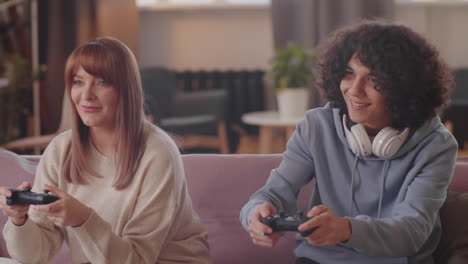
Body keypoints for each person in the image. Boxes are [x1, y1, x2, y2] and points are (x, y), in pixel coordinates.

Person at [240, 20, 458, 264]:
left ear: (404, 88)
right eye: (349, 73)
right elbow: (272, 193)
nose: (355, 90)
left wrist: (347, 230)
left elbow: (412, 231)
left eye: (373, 79)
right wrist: (255, 214)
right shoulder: (316, 127)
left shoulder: (436, 146)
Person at [0, 37, 210, 264]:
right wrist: (20, 220)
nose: (86, 95)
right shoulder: (61, 149)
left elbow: (138, 259)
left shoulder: (158, 153)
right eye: (78, 82)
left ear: (125, 90)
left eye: (101, 83)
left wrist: (83, 219)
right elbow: (33, 256)